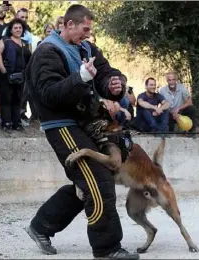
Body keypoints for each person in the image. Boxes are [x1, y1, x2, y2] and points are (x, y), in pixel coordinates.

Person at [24, 4, 139, 259]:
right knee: (96, 179)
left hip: (86, 121)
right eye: (84, 29)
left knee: (88, 181)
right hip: (62, 125)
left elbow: (106, 73)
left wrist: (114, 84)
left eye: (89, 30)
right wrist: (80, 77)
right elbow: (49, 95)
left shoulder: (86, 48)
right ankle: (107, 248)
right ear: (68, 25)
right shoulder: (47, 52)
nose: (87, 34)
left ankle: (41, 225)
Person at [0, 18, 31, 131]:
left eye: (20, 28)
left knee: (17, 100)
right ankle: (6, 123)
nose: (18, 29)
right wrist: (2, 68)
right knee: (6, 99)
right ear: (10, 30)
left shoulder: (25, 44)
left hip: (20, 76)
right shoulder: (5, 40)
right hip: (6, 75)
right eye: (15, 28)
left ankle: (17, 123)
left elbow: (29, 59)